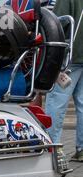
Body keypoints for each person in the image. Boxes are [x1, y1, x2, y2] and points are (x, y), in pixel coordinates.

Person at [44, 0, 83, 161]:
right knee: (82, 104)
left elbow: (57, 23)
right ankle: (81, 149)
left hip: (70, 56)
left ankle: (52, 148)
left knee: (56, 102)